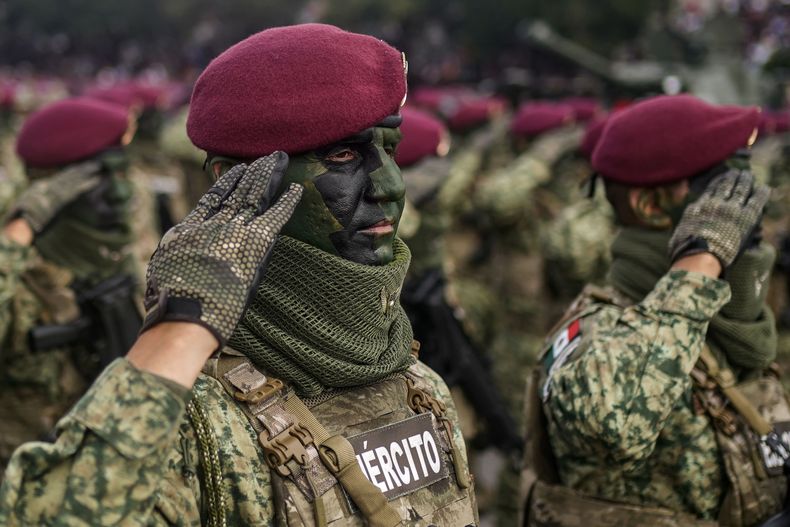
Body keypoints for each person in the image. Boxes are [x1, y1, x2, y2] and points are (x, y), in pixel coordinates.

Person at [0, 24, 478, 526]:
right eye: (341, 156)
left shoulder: (417, 383)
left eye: (392, 151)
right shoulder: (200, 427)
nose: (391, 185)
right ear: (233, 180)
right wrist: (180, 329)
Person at [521, 94, 789, 526]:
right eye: (723, 191)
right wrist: (702, 256)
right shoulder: (595, 334)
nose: (745, 206)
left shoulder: (721, 325)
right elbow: (614, 424)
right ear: (651, 206)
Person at [0, 97, 141, 472]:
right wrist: (21, 226)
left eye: (121, 175)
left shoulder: (120, 263)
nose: (121, 194)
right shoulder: (18, 278)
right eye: (100, 182)